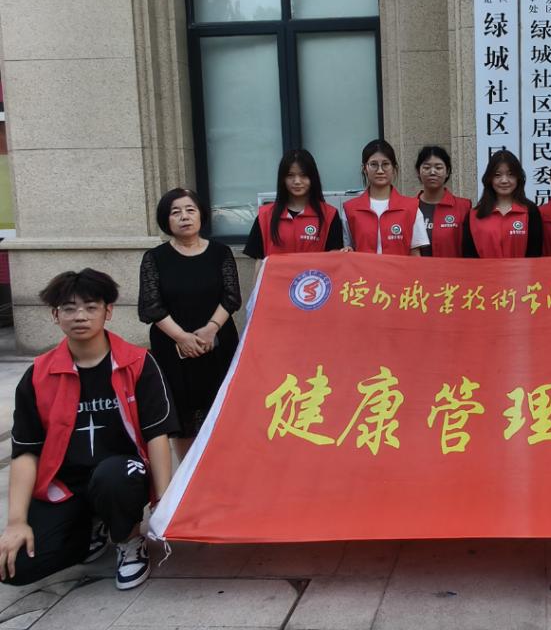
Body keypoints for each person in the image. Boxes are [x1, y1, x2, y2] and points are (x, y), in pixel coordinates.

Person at [0, 270, 177, 590]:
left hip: (121, 475)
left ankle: (128, 539)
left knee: (113, 476)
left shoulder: (137, 363)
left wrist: (163, 502)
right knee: (16, 568)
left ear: (108, 311)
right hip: (65, 485)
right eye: (69, 308)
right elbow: (26, 451)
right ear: (55, 315)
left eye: (91, 307)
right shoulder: (38, 374)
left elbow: (156, 434)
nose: (80, 316)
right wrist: (16, 522)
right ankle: (91, 528)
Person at [139, 188, 241, 460]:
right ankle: (187, 472)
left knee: (221, 407)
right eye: (176, 212)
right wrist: (182, 338)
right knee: (182, 414)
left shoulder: (220, 252)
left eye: (190, 210)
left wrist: (211, 329)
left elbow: (231, 297)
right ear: (166, 219)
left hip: (218, 343)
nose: (184, 217)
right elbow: (151, 306)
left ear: (201, 215)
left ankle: (221, 467)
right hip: (172, 347)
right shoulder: (155, 258)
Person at [243, 149, 344, 274]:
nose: (297, 181)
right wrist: (256, 287)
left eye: (303, 175)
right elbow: (259, 262)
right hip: (275, 285)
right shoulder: (265, 215)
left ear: (313, 178)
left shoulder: (329, 215)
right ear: (283, 179)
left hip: (312, 285)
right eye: (290, 175)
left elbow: (334, 260)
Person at [343, 139, 429, 255]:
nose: (380, 170)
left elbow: (415, 255)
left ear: (394, 168)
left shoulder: (411, 208)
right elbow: (347, 249)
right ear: (364, 169)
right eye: (373, 164)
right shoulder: (350, 209)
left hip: (400, 268)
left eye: (385, 164)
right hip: (362, 268)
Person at [463, 150, 543, 258]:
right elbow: (469, 257)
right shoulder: (474, 215)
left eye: (511, 174)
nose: (504, 180)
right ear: (489, 179)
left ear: (518, 178)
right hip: (485, 270)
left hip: (522, 269)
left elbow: (535, 254)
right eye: (497, 175)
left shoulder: (530, 211)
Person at [414, 145, 471, 257]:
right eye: (426, 167)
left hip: (454, 269)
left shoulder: (464, 207)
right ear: (418, 171)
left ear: (447, 171)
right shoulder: (409, 208)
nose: (432, 172)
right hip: (417, 269)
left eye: (438, 167)